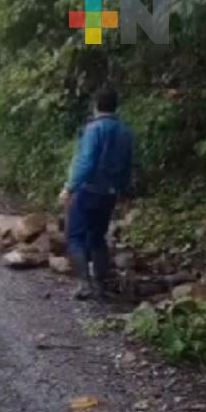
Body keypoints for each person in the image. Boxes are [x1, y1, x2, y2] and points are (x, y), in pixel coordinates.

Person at [59, 85, 134, 301]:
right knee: (98, 237)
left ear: (95, 106)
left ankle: (84, 285)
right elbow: (128, 166)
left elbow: (86, 162)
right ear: (116, 106)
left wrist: (69, 187)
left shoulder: (94, 129)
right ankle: (100, 285)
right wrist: (123, 191)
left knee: (75, 236)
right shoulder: (125, 132)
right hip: (110, 193)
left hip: (88, 190)